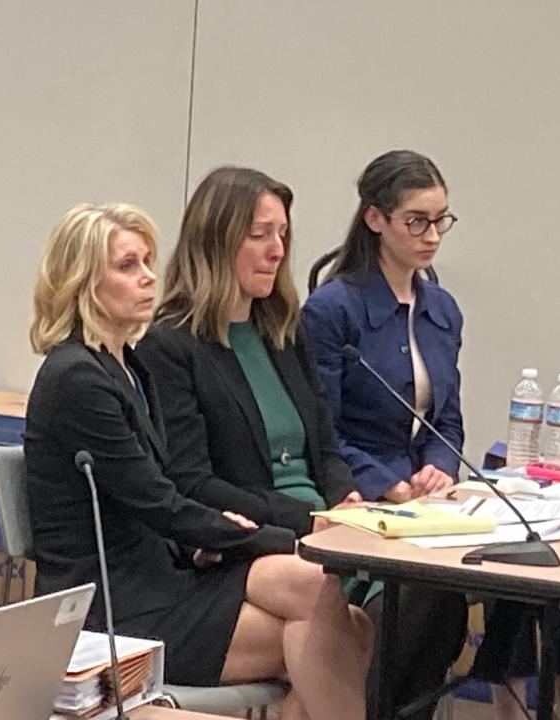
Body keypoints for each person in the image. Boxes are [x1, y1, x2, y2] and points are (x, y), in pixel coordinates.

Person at [136, 166, 465, 720]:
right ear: (216, 240)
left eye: (282, 234)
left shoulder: (283, 331)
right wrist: (309, 521)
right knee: (347, 619)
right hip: (246, 539)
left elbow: (325, 442)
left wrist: (344, 497)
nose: (276, 250)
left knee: (429, 597)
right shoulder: (172, 344)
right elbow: (193, 481)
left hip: (329, 525)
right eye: (259, 234)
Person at [24, 202, 372, 720]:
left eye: (147, 262)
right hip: (113, 602)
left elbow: (162, 495)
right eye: (127, 266)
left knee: (325, 599)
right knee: (335, 634)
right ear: (80, 282)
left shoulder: (130, 364)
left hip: (167, 573)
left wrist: (205, 541)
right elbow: (156, 499)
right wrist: (281, 538)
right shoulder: (77, 379)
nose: (148, 278)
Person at [300, 150, 560, 720]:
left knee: (544, 564)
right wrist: (388, 482)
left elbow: (448, 419)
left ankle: (546, 707)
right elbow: (323, 430)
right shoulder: (332, 309)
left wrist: (440, 465)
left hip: (434, 499)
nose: (432, 235)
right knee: (430, 596)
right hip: (369, 500)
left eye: (442, 220)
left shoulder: (444, 309)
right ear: (375, 219)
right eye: (417, 220)